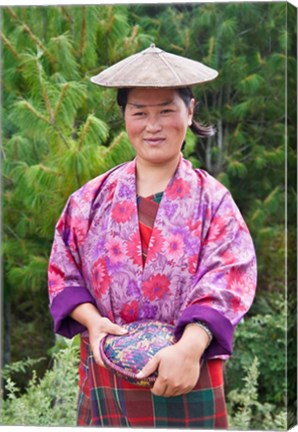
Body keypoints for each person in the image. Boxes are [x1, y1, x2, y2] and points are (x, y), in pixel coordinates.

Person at [48, 44, 257, 428]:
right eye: (139, 112)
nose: (153, 125)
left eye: (166, 110)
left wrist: (190, 349)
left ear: (190, 111)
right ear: (124, 116)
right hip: (108, 370)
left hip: (187, 370)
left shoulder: (214, 201)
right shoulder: (89, 200)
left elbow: (229, 279)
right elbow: (64, 274)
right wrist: (93, 322)